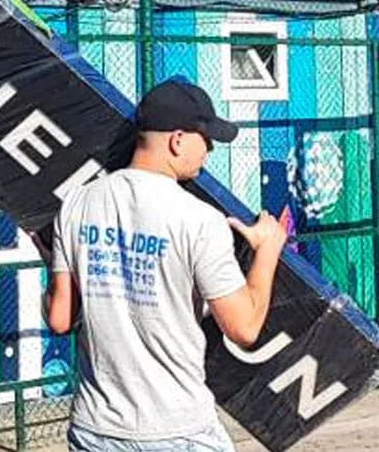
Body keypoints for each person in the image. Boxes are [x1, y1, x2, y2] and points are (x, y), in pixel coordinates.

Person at [36, 79, 288, 451]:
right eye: (207, 140)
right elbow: (245, 328)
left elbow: (60, 318)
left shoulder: (77, 203)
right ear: (178, 140)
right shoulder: (200, 220)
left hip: (96, 429)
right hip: (176, 430)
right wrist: (267, 250)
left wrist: (59, 261)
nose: (210, 150)